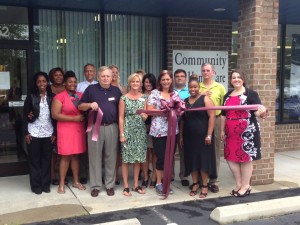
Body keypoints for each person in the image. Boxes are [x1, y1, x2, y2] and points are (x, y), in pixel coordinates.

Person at [220, 70, 267, 197]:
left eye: (239, 77)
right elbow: (223, 114)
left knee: (246, 159)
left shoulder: (251, 94)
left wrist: (262, 113)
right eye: (234, 77)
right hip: (230, 132)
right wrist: (222, 130)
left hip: (247, 132)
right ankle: (239, 184)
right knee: (230, 158)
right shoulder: (227, 95)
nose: (236, 79)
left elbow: (257, 111)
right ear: (230, 80)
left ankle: (246, 185)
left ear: (243, 79)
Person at [78, 66, 122, 197]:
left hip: (111, 127)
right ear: (98, 77)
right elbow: (80, 105)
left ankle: (109, 185)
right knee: (94, 157)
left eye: (108, 76)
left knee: (111, 156)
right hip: (94, 127)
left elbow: (121, 110)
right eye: (103, 76)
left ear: (111, 77)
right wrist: (89, 105)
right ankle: (96, 186)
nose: (105, 78)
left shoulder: (116, 91)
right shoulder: (91, 89)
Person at [179, 78, 216, 198]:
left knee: (203, 161)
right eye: (191, 87)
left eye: (195, 87)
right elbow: (182, 120)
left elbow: (212, 116)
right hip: (189, 137)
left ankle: (204, 185)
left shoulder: (205, 99)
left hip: (203, 137)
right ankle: (195, 184)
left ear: (199, 88)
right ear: (188, 88)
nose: (193, 89)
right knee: (192, 161)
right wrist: (181, 136)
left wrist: (209, 134)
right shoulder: (185, 101)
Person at [51, 71, 87, 194]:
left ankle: (76, 181)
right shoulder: (59, 97)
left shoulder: (80, 95)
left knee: (76, 156)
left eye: (75, 82)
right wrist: (73, 119)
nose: (73, 84)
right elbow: (55, 115)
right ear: (65, 83)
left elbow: (86, 108)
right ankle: (61, 183)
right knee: (65, 157)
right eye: (70, 82)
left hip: (78, 130)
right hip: (65, 129)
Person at [147, 70, 179, 196]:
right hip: (158, 131)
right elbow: (149, 110)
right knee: (161, 157)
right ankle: (159, 183)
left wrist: (175, 110)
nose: (166, 81)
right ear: (160, 81)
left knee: (170, 158)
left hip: (172, 131)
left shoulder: (175, 93)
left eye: (168, 79)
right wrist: (165, 110)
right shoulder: (155, 93)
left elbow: (178, 109)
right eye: (163, 79)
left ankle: (167, 183)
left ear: (171, 80)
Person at [23, 72, 56, 194]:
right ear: (36, 84)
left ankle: (45, 185)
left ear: (47, 82)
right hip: (34, 132)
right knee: (34, 160)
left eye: (44, 81)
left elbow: (55, 118)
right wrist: (26, 132)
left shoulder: (52, 97)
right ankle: (36, 186)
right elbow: (25, 116)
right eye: (39, 81)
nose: (42, 83)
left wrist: (55, 133)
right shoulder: (31, 97)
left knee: (47, 160)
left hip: (48, 133)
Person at [198, 62, 226, 193]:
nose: (205, 73)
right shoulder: (198, 87)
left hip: (217, 119)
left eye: (208, 70)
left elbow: (224, 107)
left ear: (213, 72)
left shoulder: (220, 87)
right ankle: (200, 179)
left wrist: (222, 129)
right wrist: (201, 94)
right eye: (203, 70)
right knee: (201, 149)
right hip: (201, 120)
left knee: (215, 150)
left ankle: (213, 181)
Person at [119, 73, 147, 196]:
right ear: (129, 83)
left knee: (137, 159)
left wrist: (145, 116)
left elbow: (146, 115)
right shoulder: (123, 98)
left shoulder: (144, 98)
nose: (135, 84)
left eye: (137, 82)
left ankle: (135, 184)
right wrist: (122, 133)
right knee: (126, 159)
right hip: (128, 130)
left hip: (140, 131)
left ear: (140, 84)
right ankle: (126, 186)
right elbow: (120, 117)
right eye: (133, 82)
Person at [76, 63, 98, 185]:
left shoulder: (99, 85)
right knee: (84, 148)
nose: (89, 73)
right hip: (84, 120)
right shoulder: (79, 86)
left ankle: (97, 174)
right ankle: (84, 174)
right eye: (87, 71)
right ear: (84, 73)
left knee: (97, 148)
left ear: (94, 72)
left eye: (91, 71)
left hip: (97, 120)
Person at [109, 64, 126, 185]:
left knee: (117, 152)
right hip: (110, 121)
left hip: (120, 122)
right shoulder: (105, 87)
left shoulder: (122, 88)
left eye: (116, 72)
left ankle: (116, 175)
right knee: (109, 151)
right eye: (112, 72)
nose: (114, 75)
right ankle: (109, 175)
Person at [173, 69, 190, 187]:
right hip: (171, 124)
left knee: (183, 151)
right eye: (177, 76)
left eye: (182, 76)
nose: (179, 78)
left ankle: (184, 175)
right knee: (170, 151)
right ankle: (170, 175)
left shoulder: (190, 91)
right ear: (174, 78)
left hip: (185, 124)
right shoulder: (169, 91)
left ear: (185, 78)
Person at [49, 67, 65, 186]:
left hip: (65, 122)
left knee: (63, 150)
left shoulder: (67, 88)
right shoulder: (48, 89)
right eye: (56, 75)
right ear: (52, 76)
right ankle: (52, 175)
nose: (58, 77)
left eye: (60, 75)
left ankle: (62, 175)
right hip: (51, 122)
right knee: (53, 151)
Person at [141, 73, 157, 188]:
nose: (148, 84)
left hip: (155, 128)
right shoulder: (140, 95)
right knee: (145, 154)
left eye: (150, 82)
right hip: (142, 128)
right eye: (146, 82)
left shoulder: (157, 95)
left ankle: (154, 177)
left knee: (154, 154)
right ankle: (145, 177)